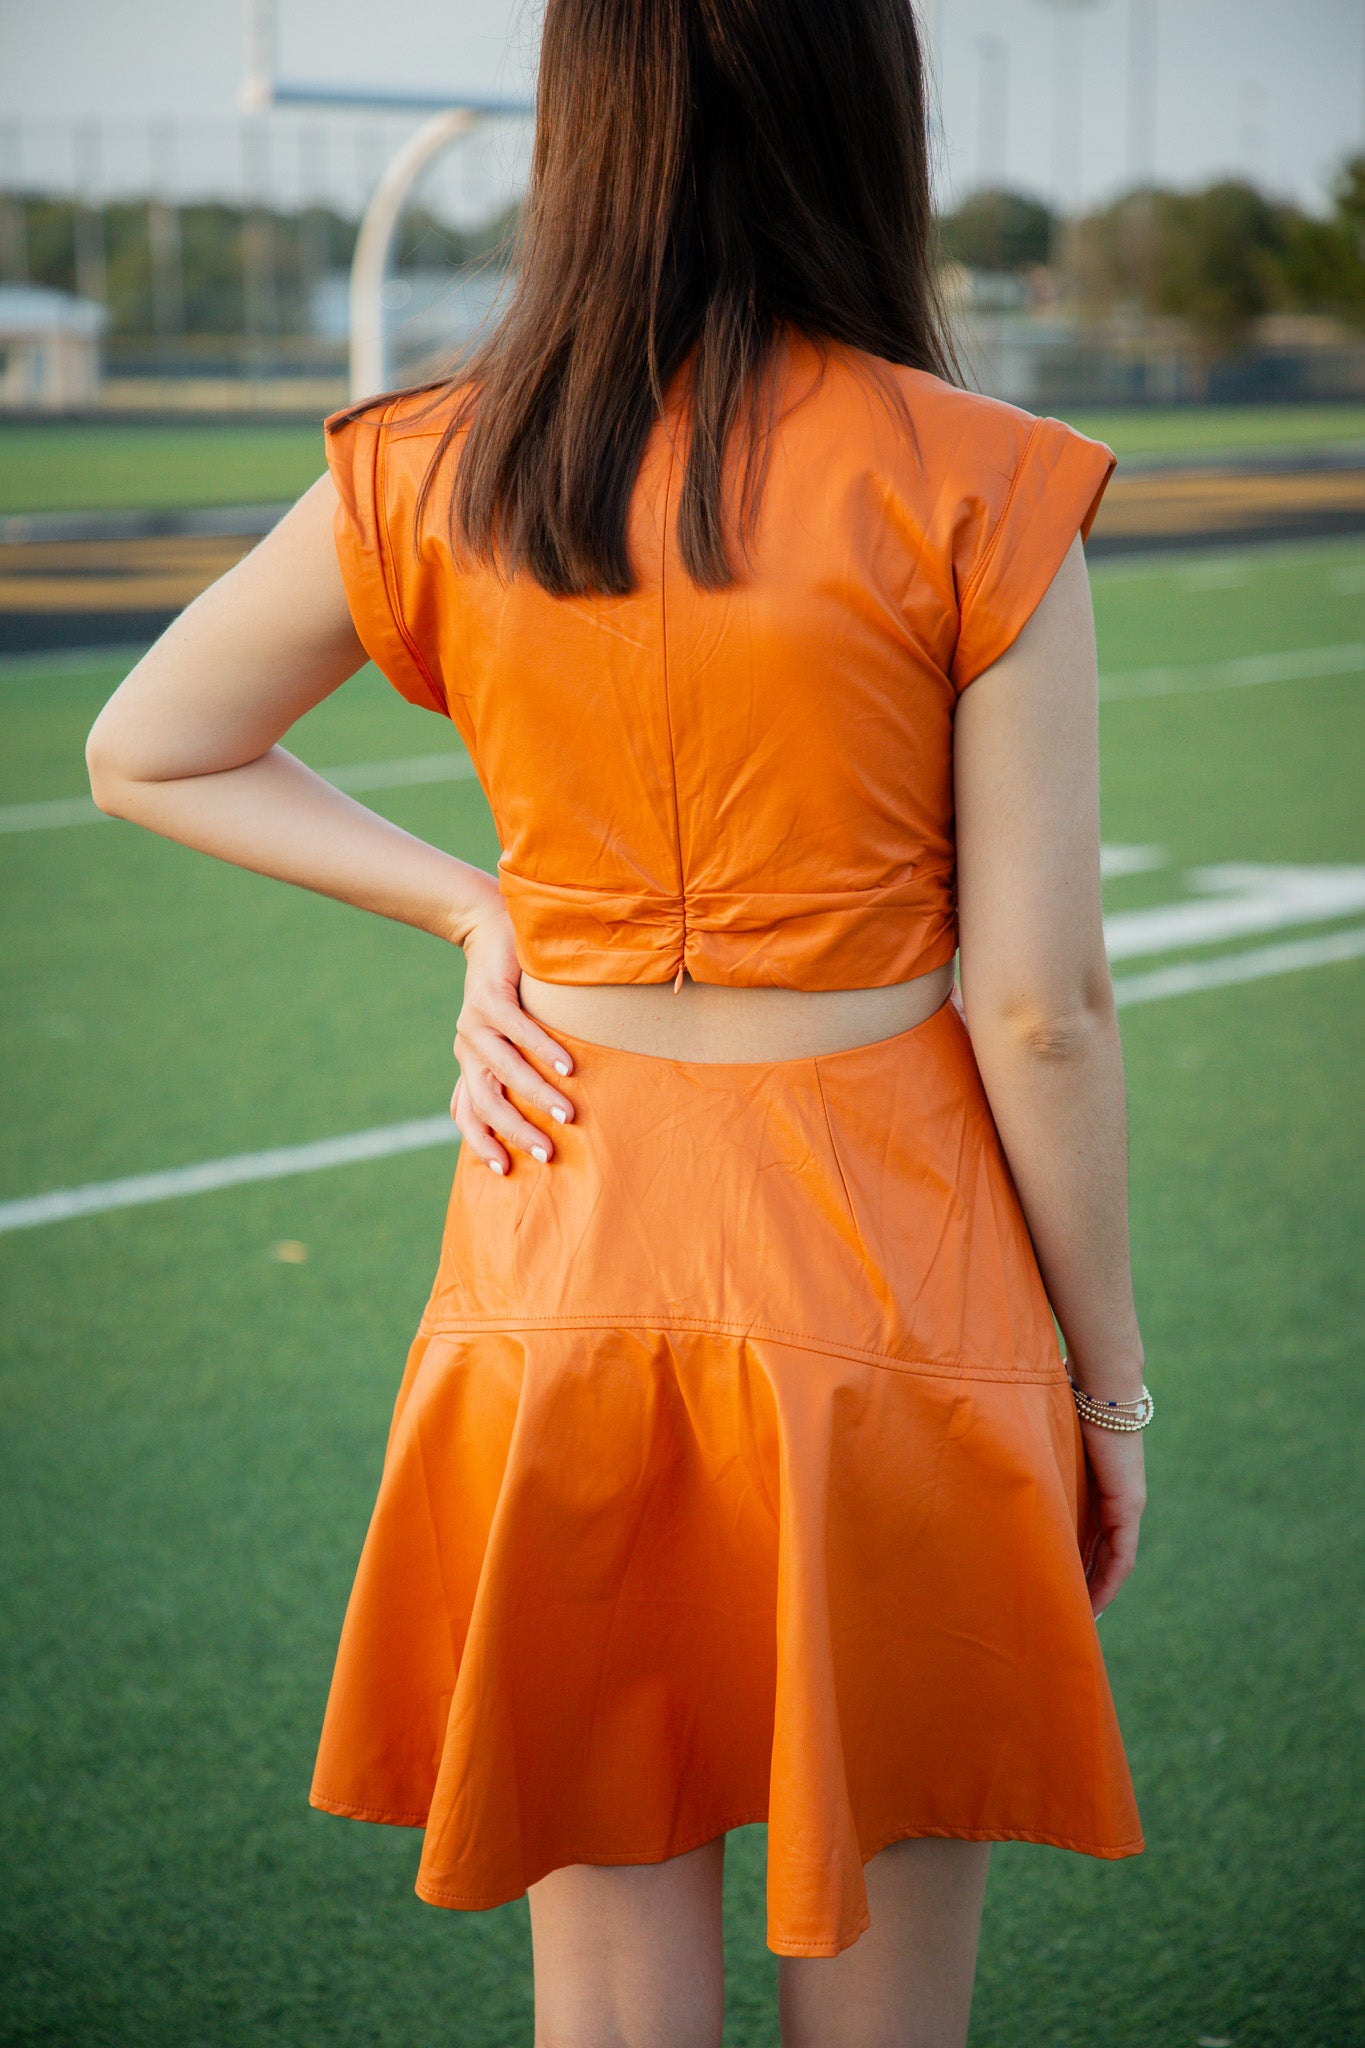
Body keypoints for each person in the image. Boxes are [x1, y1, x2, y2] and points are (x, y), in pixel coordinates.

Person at [86, 1, 1150, 2041]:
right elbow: (1039, 1005)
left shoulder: (449, 454)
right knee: (882, 1971)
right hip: (894, 1277)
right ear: (868, 109)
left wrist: (468, 901)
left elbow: (152, 748)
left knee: (606, 1970)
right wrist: (1105, 1394)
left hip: (554, 1252)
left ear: (583, 121)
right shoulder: (980, 479)